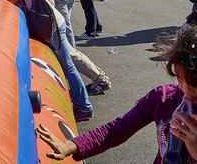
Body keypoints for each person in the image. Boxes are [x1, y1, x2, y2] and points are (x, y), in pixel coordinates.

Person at [36, 26, 197, 163]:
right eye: (180, 79)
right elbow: (119, 129)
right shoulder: (162, 98)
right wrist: (71, 145)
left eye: (195, 87)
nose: (186, 92)